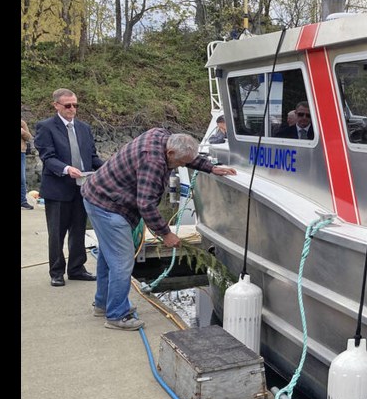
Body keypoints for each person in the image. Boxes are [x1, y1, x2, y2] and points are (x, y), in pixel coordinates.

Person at [81, 129, 237, 331]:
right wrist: (166, 234)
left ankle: (103, 304)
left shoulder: (161, 136)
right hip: (109, 206)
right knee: (122, 262)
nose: (181, 166)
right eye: (180, 163)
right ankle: (116, 315)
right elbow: (145, 204)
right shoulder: (153, 163)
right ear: (170, 153)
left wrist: (210, 168)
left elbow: (185, 157)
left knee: (107, 257)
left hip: (96, 196)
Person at [35, 89, 104, 287]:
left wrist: (109, 167)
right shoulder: (46, 127)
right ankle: (56, 272)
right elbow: (47, 157)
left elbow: (91, 157)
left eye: (75, 105)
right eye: (68, 105)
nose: (72, 109)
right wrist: (66, 169)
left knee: (79, 229)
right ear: (56, 105)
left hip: (82, 188)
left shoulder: (84, 128)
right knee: (57, 233)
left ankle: (77, 268)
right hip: (57, 189)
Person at [21, 118, 34, 209]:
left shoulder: (22, 123)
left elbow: (29, 137)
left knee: (22, 178)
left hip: (21, 152)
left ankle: (23, 201)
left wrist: (23, 132)